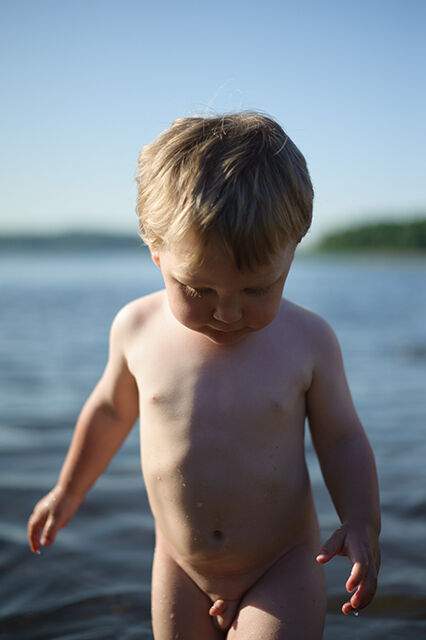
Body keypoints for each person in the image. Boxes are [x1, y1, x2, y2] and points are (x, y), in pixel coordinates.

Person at [27, 112, 380, 639]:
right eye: (199, 290)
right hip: (179, 563)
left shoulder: (309, 341)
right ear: (156, 253)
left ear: (291, 253)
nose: (228, 313)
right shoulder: (136, 329)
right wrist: (69, 489)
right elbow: (110, 410)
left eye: (257, 289)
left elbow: (342, 437)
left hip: (282, 563)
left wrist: (362, 521)